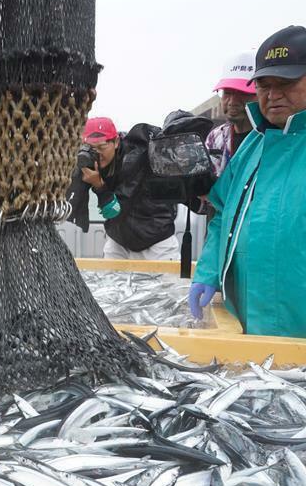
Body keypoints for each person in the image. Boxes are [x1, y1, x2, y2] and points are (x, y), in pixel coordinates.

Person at [189, 25, 306, 337]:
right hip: (244, 329)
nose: (273, 94)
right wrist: (209, 270)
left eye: (287, 82)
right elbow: (221, 212)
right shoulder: (253, 145)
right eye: (264, 85)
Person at [67, 117, 179, 260]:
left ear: (116, 142)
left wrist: (99, 186)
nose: (97, 154)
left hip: (156, 240)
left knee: (166, 283)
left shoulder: (134, 158)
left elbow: (115, 211)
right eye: (91, 149)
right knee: (109, 282)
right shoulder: (90, 159)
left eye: (101, 147)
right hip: (119, 239)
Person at [206, 50, 257, 177]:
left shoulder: (272, 137)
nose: (232, 101)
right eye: (227, 93)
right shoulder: (216, 136)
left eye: (243, 93)